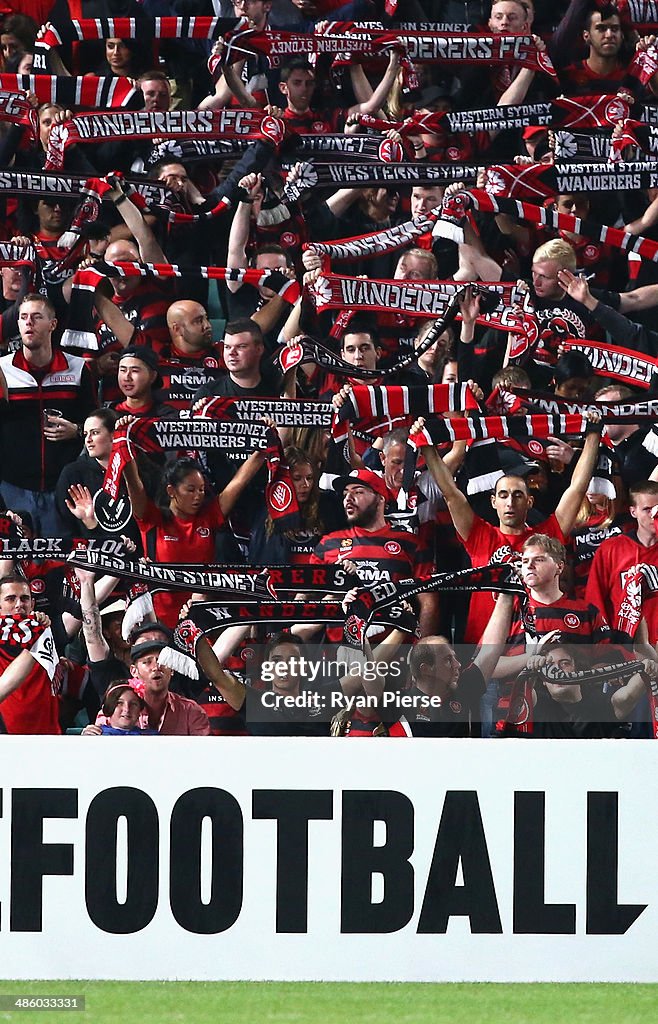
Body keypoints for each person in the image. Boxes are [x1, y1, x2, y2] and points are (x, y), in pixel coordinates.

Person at [416, 412, 603, 643]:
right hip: (481, 646)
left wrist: (593, 437)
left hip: (532, 646)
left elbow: (577, 488)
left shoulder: (546, 536)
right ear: (494, 502)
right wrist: (426, 447)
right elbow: (450, 493)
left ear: (529, 501)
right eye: (503, 495)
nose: (510, 502)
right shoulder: (479, 534)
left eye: (518, 495)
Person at [122, 445, 268, 627]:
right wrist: (123, 444)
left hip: (201, 619)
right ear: (171, 491)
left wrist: (264, 445)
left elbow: (239, 482)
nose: (198, 496)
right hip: (159, 622)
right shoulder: (152, 519)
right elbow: (134, 484)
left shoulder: (210, 516)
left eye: (201, 489)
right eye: (191, 490)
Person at [0, 293, 96, 535]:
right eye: (23, 317)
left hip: (62, 488)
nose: (28, 322)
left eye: (36, 317)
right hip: (12, 486)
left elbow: (98, 423)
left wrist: (77, 430)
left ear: (52, 324)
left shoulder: (78, 368)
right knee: (15, 569)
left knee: (60, 566)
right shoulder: (3, 370)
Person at [311, 468, 438, 637]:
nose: (348, 498)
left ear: (380, 499)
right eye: (345, 494)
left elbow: (429, 603)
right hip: (340, 654)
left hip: (395, 651)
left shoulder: (410, 544)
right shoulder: (328, 543)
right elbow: (305, 596)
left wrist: (423, 649)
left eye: (358, 492)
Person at [586, 480, 658, 644]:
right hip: (625, 646)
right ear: (633, 512)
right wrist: (603, 648)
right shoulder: (611, 549)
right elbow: (595, 601)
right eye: (647, 510)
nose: (654, 515)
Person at [93, 637, 211, 735]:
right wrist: (87, 739)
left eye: (163, 662)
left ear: (172, 669)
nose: (156, 667)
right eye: (147, 662)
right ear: (134, 671)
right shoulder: (115, 710)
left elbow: (204, 755)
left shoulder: (191, 711)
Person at [0, 574, 60, 735]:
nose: (19, 605)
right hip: (6, 746)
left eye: (25, 599)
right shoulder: (40, 633)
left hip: (48, 744)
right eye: (11, 599)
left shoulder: (46, 632)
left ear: (32, 604)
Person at [82, 682, 157, 736]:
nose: (127, 709)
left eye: (133, 704)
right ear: (108, 707)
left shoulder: (151, 738)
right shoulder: (97, 735)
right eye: (119, 703)